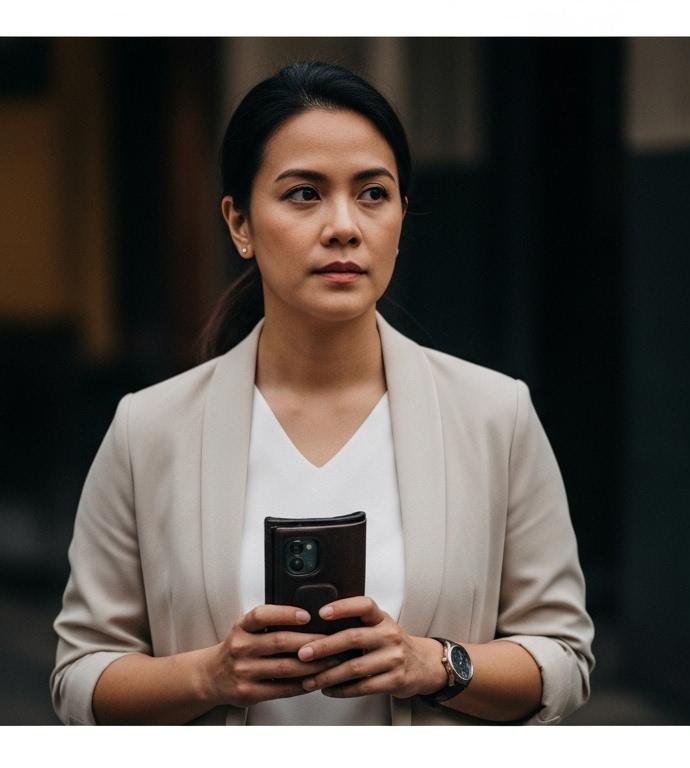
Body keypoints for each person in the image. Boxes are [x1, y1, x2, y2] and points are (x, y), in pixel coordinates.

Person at [51, 61, 593, 725]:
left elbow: (562, 659)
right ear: (240, 224)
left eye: (372, 193)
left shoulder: (493, 416)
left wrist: (434, 663)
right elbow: (80, 676)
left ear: (400, 215)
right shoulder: (150, 429)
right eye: (304, 194)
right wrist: (209, 674)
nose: (344, 225)